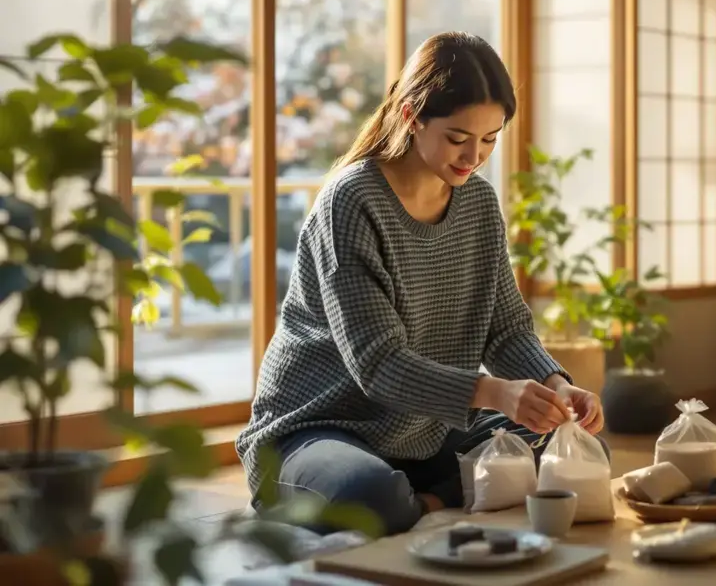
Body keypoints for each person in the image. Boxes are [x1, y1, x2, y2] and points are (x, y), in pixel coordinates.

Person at [234, 31, 607, 536]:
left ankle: (420, 502)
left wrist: (557, 388)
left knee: (578, 450)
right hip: (318, 430)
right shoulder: (351, 202)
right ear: (411, 115)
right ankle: (431, 501)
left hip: (426, 436)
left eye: (490, 139)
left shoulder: (477, 204)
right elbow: (379, 366)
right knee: (371, 497)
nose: (474, 156)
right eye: (458, 138)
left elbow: (506, 330)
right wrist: (496, 393)